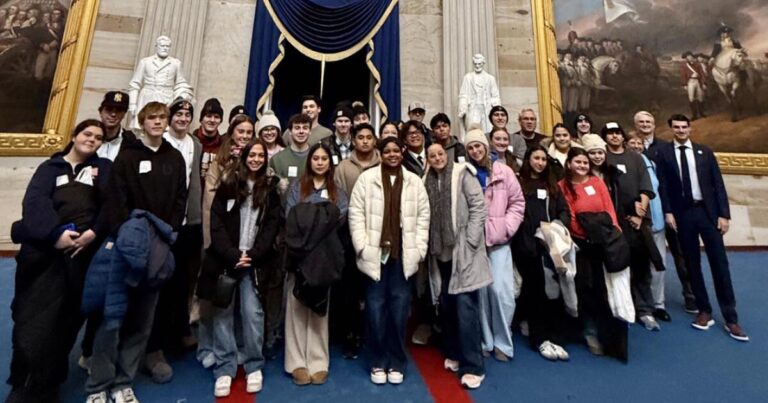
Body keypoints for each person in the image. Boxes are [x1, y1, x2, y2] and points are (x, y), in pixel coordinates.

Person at [84, 102, 187, 403]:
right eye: (152, 118)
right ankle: (97, 385)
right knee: (111, 318)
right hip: (127, 246)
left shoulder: (175, 158)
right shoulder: (127, 157)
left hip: (157, 247)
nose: (158, 122)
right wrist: (126, 235)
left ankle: (122, 381)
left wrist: (166, 235)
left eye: (162, 118)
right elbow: (115, 200)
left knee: (143, 319)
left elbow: (180, 199)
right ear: (143, 122)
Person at [7, 119, 110, 403]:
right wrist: (55, 235)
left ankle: (50, 383)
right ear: (75, 136)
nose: (92, 140)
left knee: (65, 323)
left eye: (98, 137)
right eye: (87, 134)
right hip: (45, 256)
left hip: (80, 257)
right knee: (32, 322)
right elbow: (35, 204)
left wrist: (92, 234)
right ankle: (23, 383)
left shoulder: (102, 170)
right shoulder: (50, 169)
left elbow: (110, 204)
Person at [196, 140, 282, 397]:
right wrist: (232, 254)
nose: (255, 159)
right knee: (222, 314)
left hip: (254, 263)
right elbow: (217, 222)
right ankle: (225, 367)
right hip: (227, 260)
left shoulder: (271, 189)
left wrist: (253, 255)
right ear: (244, 157)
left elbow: (271, 227)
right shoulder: (229, 184)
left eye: (260, 155)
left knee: (253, 314)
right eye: (251, 155)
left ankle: (254, 364)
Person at [653, 114, 748, 341]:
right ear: (671, 129)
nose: (681, 130)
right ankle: (704, 311)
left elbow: (718, 184)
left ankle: (731, 318)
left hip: (707, 213)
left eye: (684, 127)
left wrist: (724, 215)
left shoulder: (704, 152)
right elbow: (663, 186)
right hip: (683, 214)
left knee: (719, 263)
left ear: (690, 128)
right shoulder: (664, 153)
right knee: (691, 263)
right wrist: (668, 212)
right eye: (676, 127)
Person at [348, 137, 430, 385]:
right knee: (374, 310)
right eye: (387, 151)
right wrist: (362, 246)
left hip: (403, 257)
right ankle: (377, 360)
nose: (392, 155)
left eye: (396, 150)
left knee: (399, 310)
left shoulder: (414, 181)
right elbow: (356, 213)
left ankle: (397, 360)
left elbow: (424, 216)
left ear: (402, 152)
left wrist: (419, 250)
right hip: (375, 256)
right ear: (380, 153)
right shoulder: (366, 178)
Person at [144, 98, 203, 383]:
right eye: (178, 114)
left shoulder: (195, 144)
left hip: (188, 224)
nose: (182, 118)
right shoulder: (160, 145)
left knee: (182, 281)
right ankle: (152, 345)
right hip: (160, 225)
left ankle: (179, 331)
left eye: (187, 114)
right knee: (157, 283)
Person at [423, 143, 490, 389]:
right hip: (441, 253)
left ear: (446, 155)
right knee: (448, 305)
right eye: (432, 155)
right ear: (428, 159)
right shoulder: (425, 179)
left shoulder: (463, 173)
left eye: (441, 154)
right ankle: (453, 351)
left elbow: (478, 207)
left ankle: (473, 365)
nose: (438, 158)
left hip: (464, 251)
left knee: (466, 307)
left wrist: (471, 240)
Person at [284, 143, 349, 385]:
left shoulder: (338, 192)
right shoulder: (295, 188)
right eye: (316, 158)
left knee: (320, 309)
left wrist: (313, 219)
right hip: (300, 255)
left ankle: (318, 360)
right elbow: (291, 217)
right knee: (296, 307)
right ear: (309, 161)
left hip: (324, 257)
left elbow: (340, 217)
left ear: (329, 163)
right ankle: (296, 362)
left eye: (324, 159)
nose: (320, 162)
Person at [558, 147, 627, 361]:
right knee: (585, 290)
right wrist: (584, 233)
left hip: (605, 242)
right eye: (577, 162)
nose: (582, 166)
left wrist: (615, 233)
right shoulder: (563, 186)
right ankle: (589, 333)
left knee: (605, 290)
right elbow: (569, 215)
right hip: (581, 244)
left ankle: (610, 337)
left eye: (585, 162)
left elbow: (609, 209)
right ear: (569, 164)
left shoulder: (597, 182)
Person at [464, 126, 525, 362]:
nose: (475, 150)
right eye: (470, 147)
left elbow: (517, 203)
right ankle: (486, 340)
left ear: (486, 146)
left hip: (499, 239)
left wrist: (506, 228)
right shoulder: (466, 173)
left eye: (478, 145)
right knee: (481, 292)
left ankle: (503, 341)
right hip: (475, 242)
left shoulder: (504, 171)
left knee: (501, 291)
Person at [512, 145, 572, 361]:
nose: (540, 162)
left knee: (554, 291)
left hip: (552, 247)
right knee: (535, 291)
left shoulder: (552, 186)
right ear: (528, 160)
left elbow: (565, 211)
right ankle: (540, 339)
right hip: (528, 247)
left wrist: (556, 226)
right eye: (536, 158)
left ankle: (556, 337)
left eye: (543, 159)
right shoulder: (520, 184)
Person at [633, 111, 696, 313]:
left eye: (648, 122)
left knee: (681, 254)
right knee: (648, 258)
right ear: (635, 125)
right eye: (641, 122)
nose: (645, 125)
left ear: (654, 124)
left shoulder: (666, 148)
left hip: (671, 211)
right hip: (647, 214)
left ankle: (690, 296)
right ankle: (647, 302)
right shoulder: (630, 149)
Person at [601, 122, 659, 332]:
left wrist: (640, 214)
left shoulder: (635, 157)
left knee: (642, 265)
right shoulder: (602, 158)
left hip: (637, 222)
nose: (614, 137)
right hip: (614, 223)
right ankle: (621, 308)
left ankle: (645, 310)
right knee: (617, 266)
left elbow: (646, 186)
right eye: (610, 134)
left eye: (617, 133)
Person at [332, 123, 380, 358]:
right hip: (348, 234)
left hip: (379, 235)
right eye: (359, 137)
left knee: (374, 288)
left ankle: (372, 335)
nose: (364, 141)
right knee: (349, 288)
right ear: (353, 140)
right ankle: (350, 335)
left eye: (368, 137)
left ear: (374, 140)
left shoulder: (384, 164)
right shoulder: (342, 168)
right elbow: (338, 200)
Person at [626, 133, 670, 322]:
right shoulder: (627, 163)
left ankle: (658, 304)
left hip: (657, 218)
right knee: (638, 265)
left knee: (659, 264)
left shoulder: (651, 162)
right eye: (632, 142)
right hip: (638, 221)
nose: (636, 145)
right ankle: (638, 304)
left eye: (639, 142)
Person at [127, 36, 193, 129]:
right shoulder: (145, 62)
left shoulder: (176, 63)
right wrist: (133, 103)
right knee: (143, 128)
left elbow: (181, 83)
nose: (165, 48)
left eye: (167, 46)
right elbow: (134, 84)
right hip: (147, 98)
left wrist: (180, 96)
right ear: (156, 46)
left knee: (164, 128)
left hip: (166, 98)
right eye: (162, 46)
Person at [458, 53, 501, 134]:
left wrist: (497, 110)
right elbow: (463, 95)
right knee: (472, 131)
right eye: (475, 64)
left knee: (488, 131)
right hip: (473, 108)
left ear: (483, 63)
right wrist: (462, 108)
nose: (477, 66)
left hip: (486, 108)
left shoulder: (490, 78)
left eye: (479, 64)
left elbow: (495, 96)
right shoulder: (468, 78)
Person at [270, 113, 313, 185]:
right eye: (297, 128)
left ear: (310, 131)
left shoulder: (317, 158)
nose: (301, 131)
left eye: (305, 128)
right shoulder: (277, 159)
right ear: (290, 132)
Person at [96, 91, 136, 161]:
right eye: (109, 109)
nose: (113, 114)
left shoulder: (130, 141)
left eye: (119, 110)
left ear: (124, 114)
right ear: (100, 112)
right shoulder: (87, 136)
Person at [195, 98, 225, 182]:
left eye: (216, 117)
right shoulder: (191, 142)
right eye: (208, 116)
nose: (212, 120)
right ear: (201, 119)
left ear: (220, 121)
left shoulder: (224, 145)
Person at [680, 52, 706, 120]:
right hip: (690, 82)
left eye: (691, 56)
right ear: (686, 58)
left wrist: (703, 83)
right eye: (688, 57)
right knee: (691, 98)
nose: (690, 58)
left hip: (697, 81)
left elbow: (702, 74)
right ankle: (694, 115)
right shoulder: (684, 65)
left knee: (700, 97)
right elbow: (683, 75)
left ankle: (701, 113)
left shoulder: (697, 64)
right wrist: (685, 84)